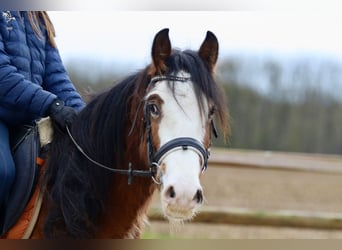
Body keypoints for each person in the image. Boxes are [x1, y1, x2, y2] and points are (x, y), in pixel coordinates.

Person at [0, 11, 85, 214]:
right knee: (3, 172)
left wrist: (86, 119)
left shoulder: (37, 16)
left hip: (29, 117)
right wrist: (51, 105)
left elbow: (55, 76)